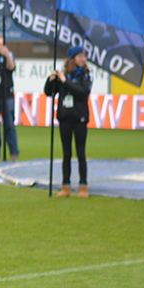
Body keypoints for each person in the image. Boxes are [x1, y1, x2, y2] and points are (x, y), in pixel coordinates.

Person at [45, 45, 92, 198]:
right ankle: (66, 186)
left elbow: (83, 93)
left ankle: (83, 185)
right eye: (80, 56)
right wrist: (51, 80)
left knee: (80, 152)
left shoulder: (86, 75)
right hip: (65, 117)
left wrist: (65, 82)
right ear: (72, 59)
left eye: (84, 56)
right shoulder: (63, 74)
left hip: (80, 118)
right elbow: (49, 92)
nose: (83, 59)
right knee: (66, 153)